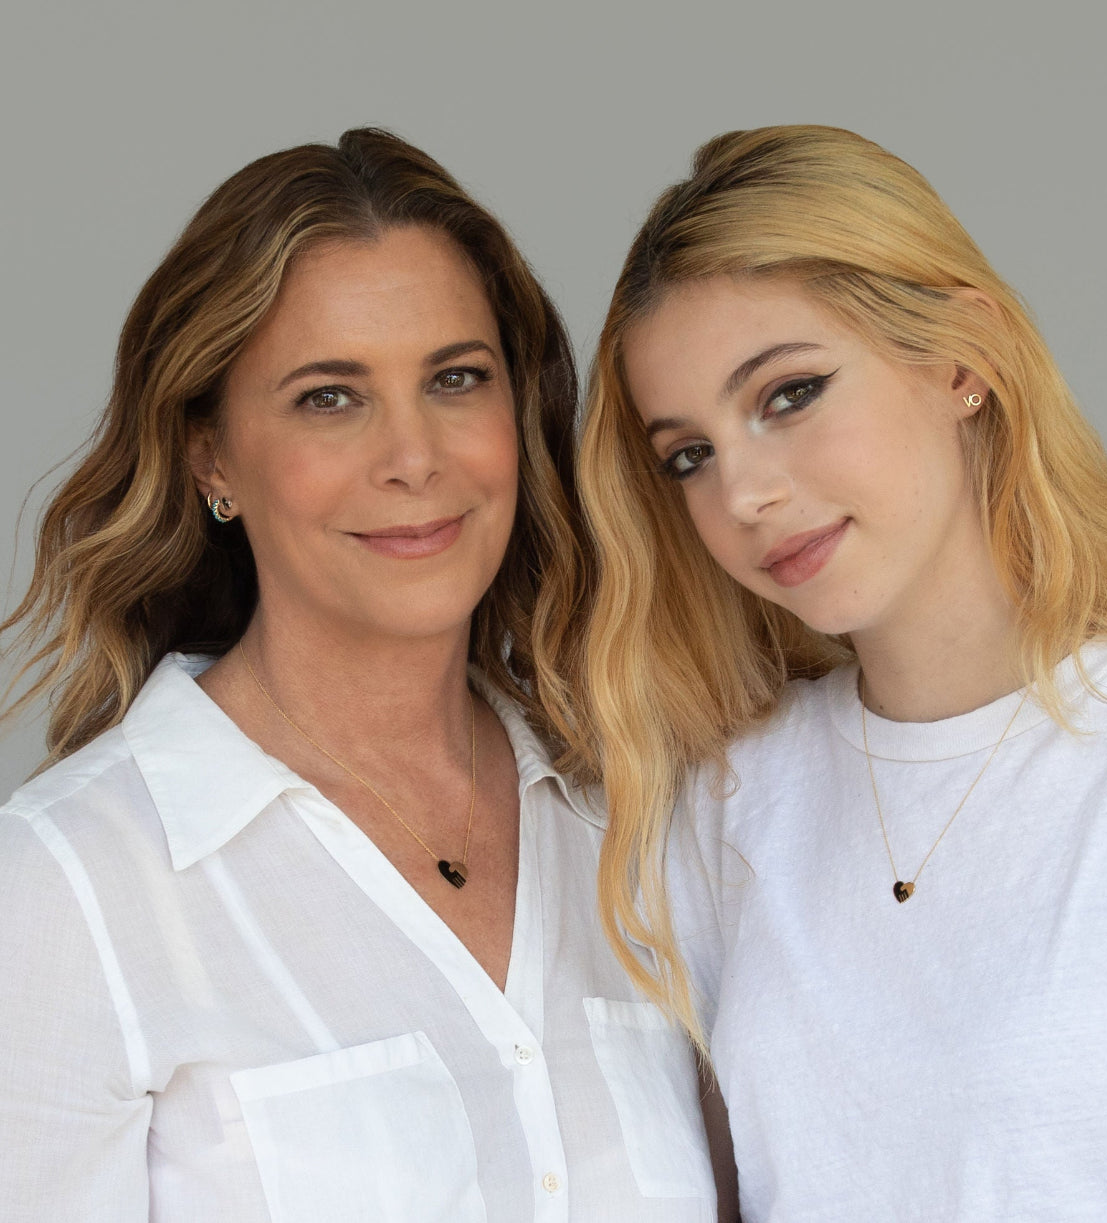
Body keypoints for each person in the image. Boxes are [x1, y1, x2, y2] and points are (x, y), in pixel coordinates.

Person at [0, 128, 718, 1222]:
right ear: (212, 457)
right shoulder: (66, 888)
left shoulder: (631, 820)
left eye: (456, 379)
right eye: (330, 396)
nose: (415, 457)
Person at [573, 124, 1107, 1220]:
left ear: (962, 359)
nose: (744, 495)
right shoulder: (726, 805)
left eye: (789, 393)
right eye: (690, 454)